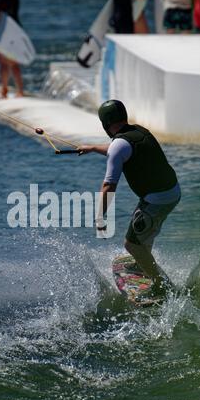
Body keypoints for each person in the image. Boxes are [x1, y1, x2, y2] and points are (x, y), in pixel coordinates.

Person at [78, 100, 181, 297]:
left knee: (131, 244)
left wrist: (100, 217)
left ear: (105, 123)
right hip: (171, 191)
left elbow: (109, 185)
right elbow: (117, 149)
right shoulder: (139, 131)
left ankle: (162, 287)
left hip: (157, 198)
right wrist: (92, 148)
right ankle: (142, 263)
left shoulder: (118, 144)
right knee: (141, 225)